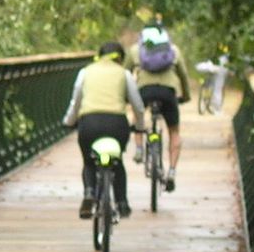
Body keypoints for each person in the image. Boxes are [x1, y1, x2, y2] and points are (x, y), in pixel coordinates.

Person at [62, 40, 145, 219]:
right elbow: (138, 106)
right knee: (118, 162)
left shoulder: (86, 72)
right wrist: (139, 126)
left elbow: (76, 100)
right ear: (120, 59)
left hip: (89, 123)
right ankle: (122, 202)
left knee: (89, 161)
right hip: (117, 124)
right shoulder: (124, 74)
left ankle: (89, 193)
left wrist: (69, 121)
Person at [126, 19, 190, 190]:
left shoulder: (136, 50)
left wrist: (126, 97)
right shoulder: (173, 50)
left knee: (138, 115)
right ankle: (172, 171)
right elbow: (183, 75)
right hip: (168, 93)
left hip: (144, 91)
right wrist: (185, 96)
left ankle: (139, 149)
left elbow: (125, 72)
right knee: (174, 130)